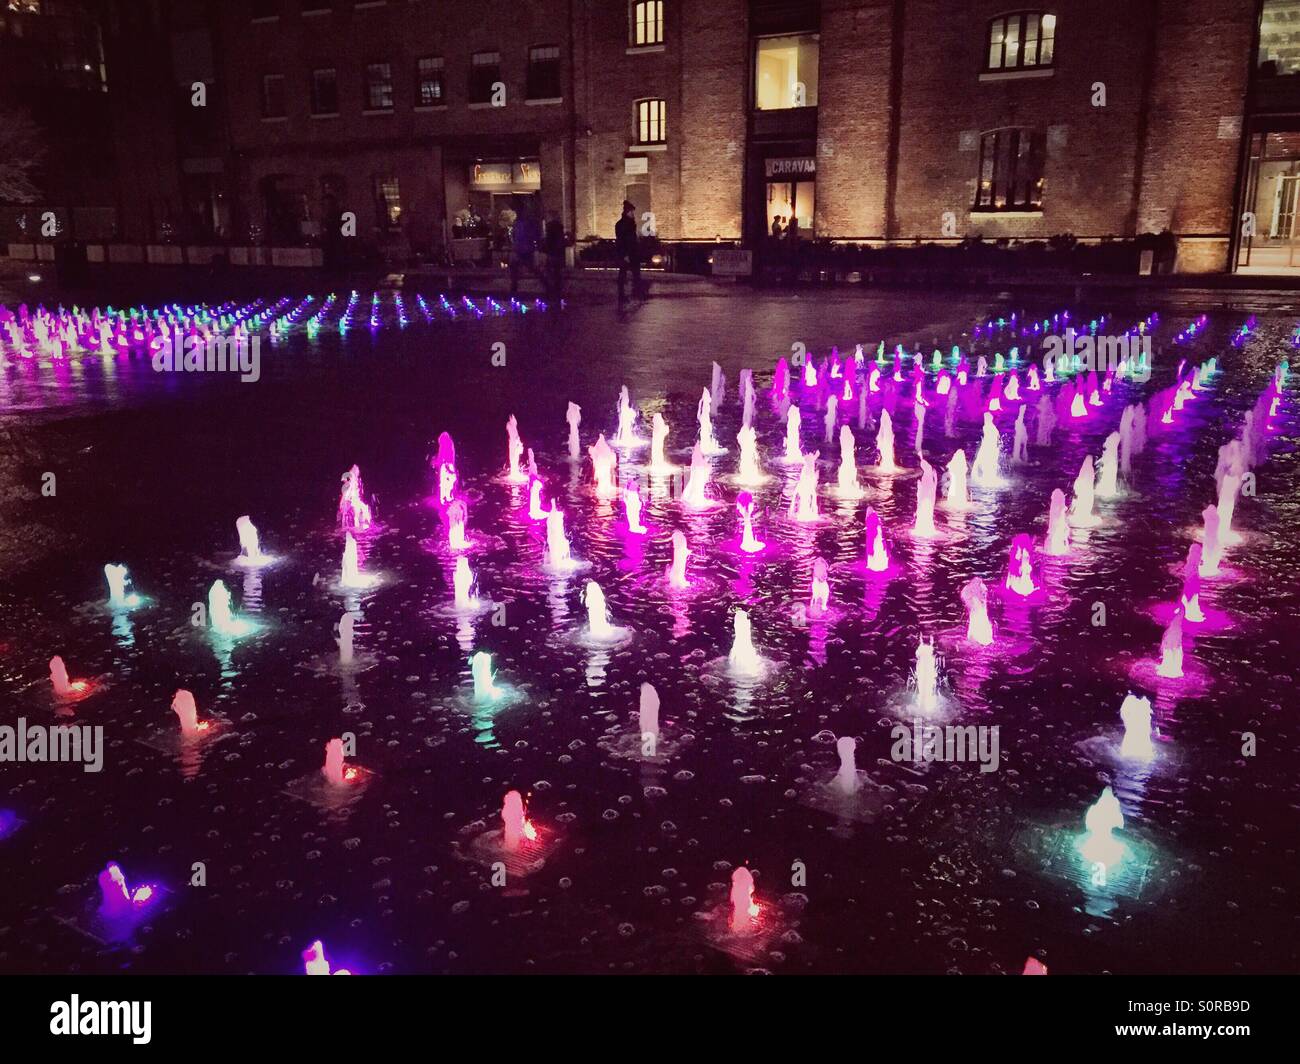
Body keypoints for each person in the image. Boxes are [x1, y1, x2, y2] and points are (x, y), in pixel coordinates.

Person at [615, 199, 644, 303]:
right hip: (628, 253)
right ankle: (624, 294)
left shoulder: (628, 223)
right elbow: (623, 240)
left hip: (631, 252)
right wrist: (625, 254)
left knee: (631, 273)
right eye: (631, 212)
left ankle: (632, 293)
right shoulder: (624, 224)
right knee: (626, 274)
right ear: (627, 212)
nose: (633, 214)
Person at [508, 213, 543, 295]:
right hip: (525, 249)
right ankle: (513, 288)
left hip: (523, 249)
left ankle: (513, 288)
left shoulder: (519, 224)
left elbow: (515, 236)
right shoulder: (526, 224)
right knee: (523, 267)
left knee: (519, 268)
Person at [543, 211, 566, 302]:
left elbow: (549, 240)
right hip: (557, 252)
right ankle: (557, 290)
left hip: (552, 252)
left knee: (550, 272)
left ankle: (551, 290)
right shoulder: (559, 226)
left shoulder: (550, 227)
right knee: (556, 272)